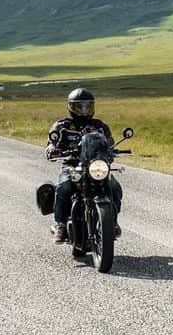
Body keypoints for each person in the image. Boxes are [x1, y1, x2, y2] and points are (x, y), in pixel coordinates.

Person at [45, 87, 123, 243]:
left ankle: (112, 221)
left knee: (114, 186)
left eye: (87, 106)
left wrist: (112, 149)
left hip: (96, 165)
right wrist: (52, 149)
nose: (84, 110)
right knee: (64, 186)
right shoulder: (63, 126)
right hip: (73, 165)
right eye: (79, 106)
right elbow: (51, 143)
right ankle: (60, 224)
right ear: (71, 107)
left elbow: (109, 142)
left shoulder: (99, 126)